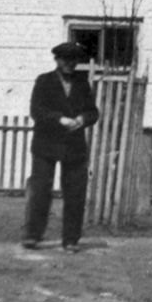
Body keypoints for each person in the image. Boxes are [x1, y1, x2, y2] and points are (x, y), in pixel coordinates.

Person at [23, 41, 101, 252]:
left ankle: (70, 240)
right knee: (40, 191)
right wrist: (59, 119)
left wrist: (82, 119)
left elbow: (94, 112)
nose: (70, 64)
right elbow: (36, 111)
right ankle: (33, 236)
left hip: (73, 146)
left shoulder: (82, 83)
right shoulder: (44, 81)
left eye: (74, 60)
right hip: (45, 144)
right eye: (65, 60)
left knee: (75, 193)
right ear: (57, 60)